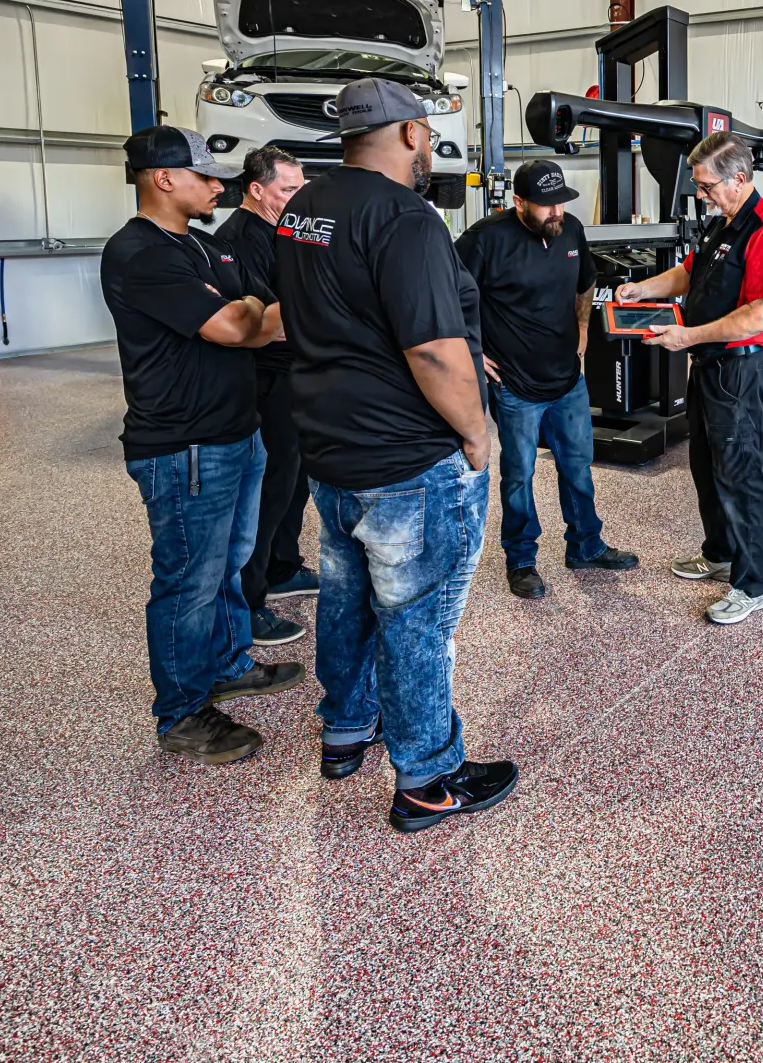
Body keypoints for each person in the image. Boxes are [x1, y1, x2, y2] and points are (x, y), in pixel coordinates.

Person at [273, 78, 517, 833]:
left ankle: (347, 729)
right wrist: (477, 436)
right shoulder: (406, 220)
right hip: (409, 462)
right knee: (418, 620)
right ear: (412, 134)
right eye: (428, 135)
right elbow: (434, 351)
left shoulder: (303, 211)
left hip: (334, 456)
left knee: (349, 601)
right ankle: (430, 778)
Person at [101, 125, 307, 764]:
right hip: (183, 444)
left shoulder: (201, 246)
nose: (218, 184)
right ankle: (182, 712)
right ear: (162, 178)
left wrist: (248, 314)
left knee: (228, 560)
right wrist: (245, 315)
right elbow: (234, 325)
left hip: (236, 431)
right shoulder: (140, 254)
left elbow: (260, 314)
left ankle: (226, 662)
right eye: (203, 175)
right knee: (188, 579)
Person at [615, 132, 763, 625]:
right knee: (706, 464)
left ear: (739, 179)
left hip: (737, 370)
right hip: (710, 369)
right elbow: (689, 274)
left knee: (742, 474)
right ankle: (719, 554)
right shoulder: (724, 224)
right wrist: (640, 289)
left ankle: (753, 583)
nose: (700, 194)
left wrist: (688, 337)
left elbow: (761, 316)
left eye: (706, 185)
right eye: (698, 185)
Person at [455, 159, 639, 599]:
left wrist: (581, 328)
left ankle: (586, 546)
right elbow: (444, 293)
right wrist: (472, 351)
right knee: (518, 475)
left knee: (577, 465)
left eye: (560, 202)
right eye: (546, 205)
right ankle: (521, 560)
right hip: (515, 384)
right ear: (519, 202)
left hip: (566, 378)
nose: (556, 212)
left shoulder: (570, 229)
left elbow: (585, 284)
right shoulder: (484, 239)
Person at [210, 146, 317, 646]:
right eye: (287, 190)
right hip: (266, 380)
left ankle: (281, 566)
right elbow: (262, 322)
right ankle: (250, 604)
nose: (297, 199)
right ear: (256, 190)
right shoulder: (236, 240)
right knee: (269, 490)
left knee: (295, 480)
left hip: (297, 372)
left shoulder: (285, 228)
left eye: (300, 189)